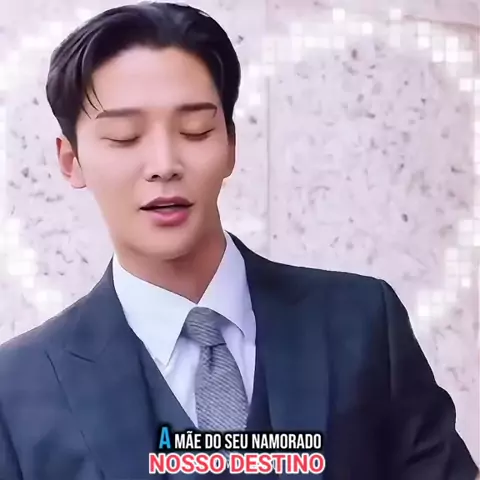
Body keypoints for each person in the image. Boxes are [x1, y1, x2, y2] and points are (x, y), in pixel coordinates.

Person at [0, 2, 477, 479]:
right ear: (71, 161)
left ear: (230, 143)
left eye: (195, 130)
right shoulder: (18, 387)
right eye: (125, 137)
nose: (164, 164)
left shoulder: (361, 321)